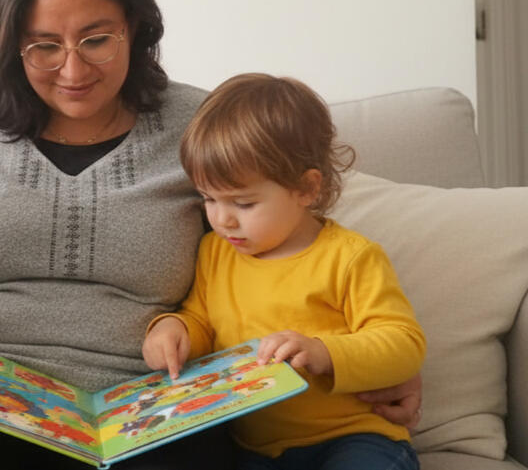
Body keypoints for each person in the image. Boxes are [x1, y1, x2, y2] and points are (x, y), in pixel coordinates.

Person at [0, 0, 423, 469]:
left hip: (147, 413)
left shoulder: (200, 125)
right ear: (9, 41)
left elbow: (284, 250)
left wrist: (358, 364)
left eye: (96, 40)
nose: (72, 69)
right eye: (43, 46)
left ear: (137, 28)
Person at [142, 73, 426, 470]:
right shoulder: (215, 252)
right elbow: (202, 321)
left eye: (243, 203)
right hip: (256, 449)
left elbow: (404, 345)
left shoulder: (350, 257)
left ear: (307, 189)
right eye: (208, 198)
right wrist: (174, 330)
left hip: (352, 437)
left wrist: (323, 352)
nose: (222, 219)